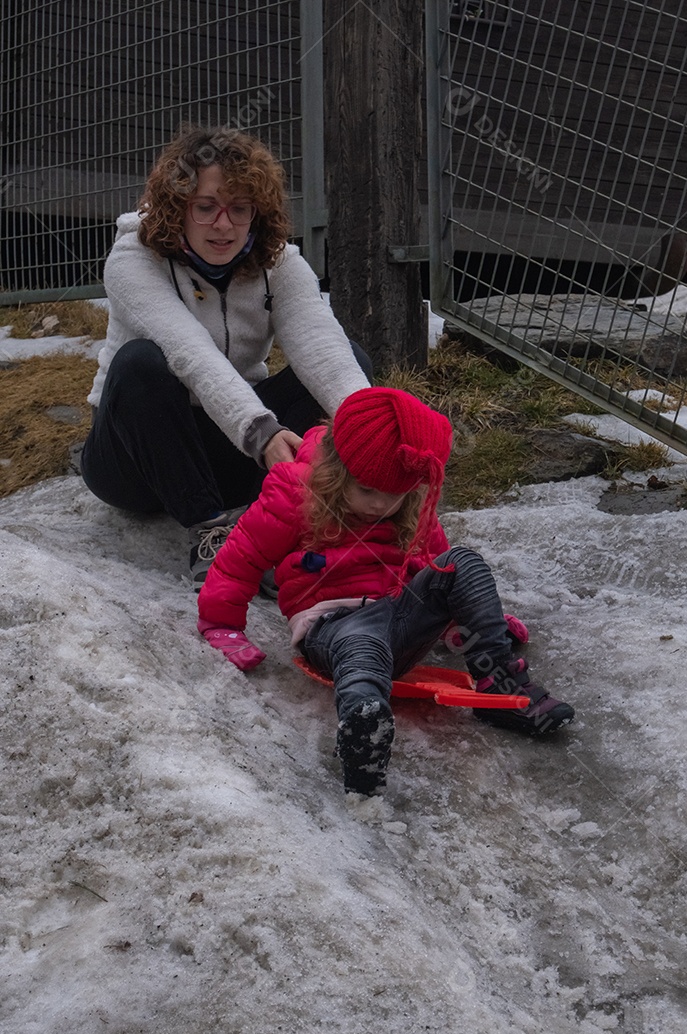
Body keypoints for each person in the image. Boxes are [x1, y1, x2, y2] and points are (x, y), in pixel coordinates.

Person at [197, 387, 575, 797]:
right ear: (337, 470)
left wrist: (479, 622)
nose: (380, 505)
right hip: (333, 625)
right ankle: (364, 730)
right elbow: (242, 557)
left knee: (460, 562)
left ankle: (499, 684)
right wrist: (222, 624)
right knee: (363, 646)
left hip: (400, 615)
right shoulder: (294, 494)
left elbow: (435, 565)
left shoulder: (411, 504)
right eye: (367, 491)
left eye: (393, 495)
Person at [81, 125, 371, 589]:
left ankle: (310, 521)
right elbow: (190, 353)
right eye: (206, 207)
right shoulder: (133, 259)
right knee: (140, 363)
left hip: (231, 450)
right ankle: (210, 531)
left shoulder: (280, 264)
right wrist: (262, 432)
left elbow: (320, 345)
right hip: (134, 461)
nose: (224, 224)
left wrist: (376, 435)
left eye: (239, 209)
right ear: (178, 208)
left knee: (351, 370)